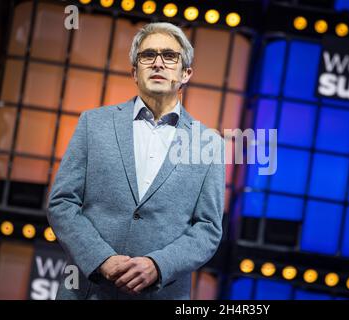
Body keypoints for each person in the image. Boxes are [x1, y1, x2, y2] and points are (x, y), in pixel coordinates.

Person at [47, 22, 225, 300]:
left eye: (169, 56)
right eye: (147, 55)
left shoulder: (209, 144)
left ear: (186, 73)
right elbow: (61, 203)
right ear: (134, 72)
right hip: (87, 291)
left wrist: (158, 265)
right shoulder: (93, 123)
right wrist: (101, 259)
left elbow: (208, 229)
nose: (158, 63)